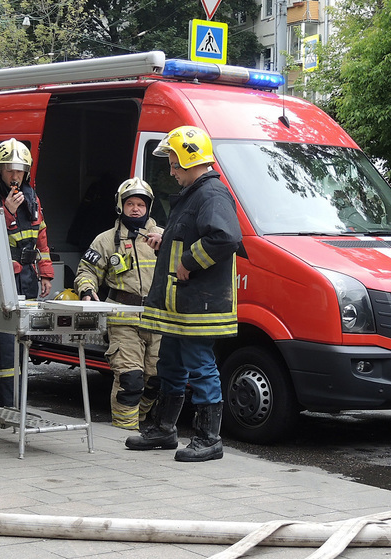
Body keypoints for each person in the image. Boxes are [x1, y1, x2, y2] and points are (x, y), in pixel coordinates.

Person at [125, 126, 242, 462]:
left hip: (198, 304)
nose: (171, 170)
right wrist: (168, 240)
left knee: (200, 366)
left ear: (190, 158)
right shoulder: (196, 193)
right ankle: (164, 430)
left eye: (174, 162)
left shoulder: (211, 194)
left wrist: (189, 261)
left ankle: (209, 439)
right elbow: (195, 235)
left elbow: (225, 237)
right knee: (171, 364)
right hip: (180, 304)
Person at [0, 138, 54, 408]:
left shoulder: (32, 197)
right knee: (4, 344)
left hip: (27, 278)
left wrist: (46, 273)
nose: (15, 176)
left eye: (19, 170)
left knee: (19, 343)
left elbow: (41, 236)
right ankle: (9, 406)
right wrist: (7, 211)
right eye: (9, 169)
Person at [74, 177, 163, 430]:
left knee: (157, 380)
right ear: (120, 206)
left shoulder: (164, 238)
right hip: (123, 320)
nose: (136, 209)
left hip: (157, 319)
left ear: (149, 207)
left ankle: (139, 419)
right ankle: (123, 433)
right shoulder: (105, 240)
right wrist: (87, 289)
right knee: (130, 380)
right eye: (130, 203)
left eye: (141, 204)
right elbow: (86, 270)